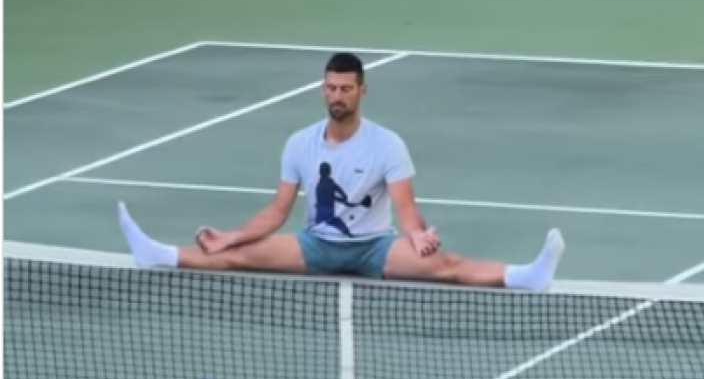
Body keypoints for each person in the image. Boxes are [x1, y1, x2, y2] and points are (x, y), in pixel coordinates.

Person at [117, 52, 565, 291]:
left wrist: (418, 237)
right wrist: (230, 237)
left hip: (375, 248)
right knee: (233, 256)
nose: (337, 95)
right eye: (331, 87)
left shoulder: (387, 144)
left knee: (448, 265)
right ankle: (157, 254)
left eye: (346, 89)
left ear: (361, 91)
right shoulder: (300, 143)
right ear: (323, 89)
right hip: (316, 246)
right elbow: (277, 211)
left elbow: (407, 210)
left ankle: (527, 276)